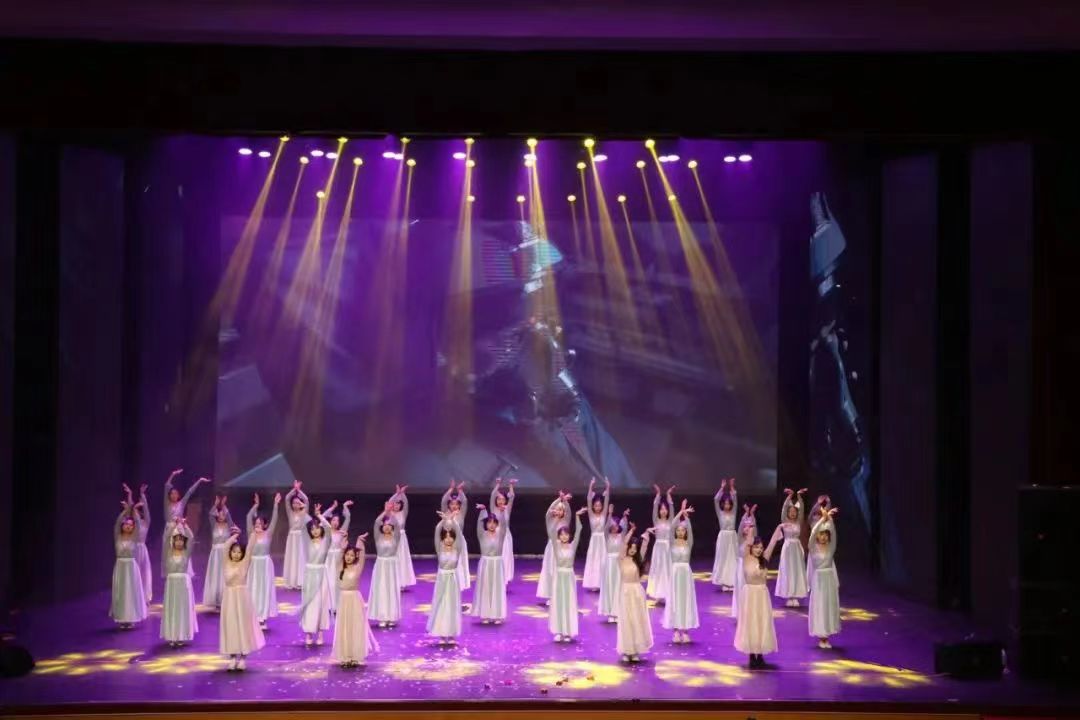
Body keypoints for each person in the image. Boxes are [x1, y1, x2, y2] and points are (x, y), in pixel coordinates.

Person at [219, 529, 265, 671]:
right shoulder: (226, 562)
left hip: (242, 599)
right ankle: (233, 657)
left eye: (239, 552)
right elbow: (225, 547)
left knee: (244, 626)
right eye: (234, 552)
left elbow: (250, 548)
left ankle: (243, 658)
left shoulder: (244, 563)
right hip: (229, 599)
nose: (236, 554)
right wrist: (235, 535)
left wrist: (255, 534)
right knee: (231, 626)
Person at [332, 533, 379, 668]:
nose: (349, 557)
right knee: (344, 627)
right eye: (347, 554)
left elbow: (362, 555)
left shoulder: (358, 568)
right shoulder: (340, 567)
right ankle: (345, 656)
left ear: (355, 557)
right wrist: (342, 547)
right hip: (344, 600)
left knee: (355, 627)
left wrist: (359, 541)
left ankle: (355, 656)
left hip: (355, 600)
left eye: (352, 555)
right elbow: (338, 557)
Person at [734, 535, 778, 669]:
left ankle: (760, 654)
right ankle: (752, 655)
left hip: (762, 595)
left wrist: (779, 528)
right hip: (750, 595)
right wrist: (750, 532)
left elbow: (772, 542)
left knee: (762, 623)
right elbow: (746, 544)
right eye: (756, 547)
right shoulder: (746, 558)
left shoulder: (764, 559)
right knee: (751, 623)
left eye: (761, 547)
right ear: (751, 548)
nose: (759, 550)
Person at [662, 501, 700, 643]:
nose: (680, 532)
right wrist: (681, 511)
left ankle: (685, 630)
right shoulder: (672, 542)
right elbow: (672, 525)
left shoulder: (688, 543)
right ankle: (676, 631)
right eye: (678, 530)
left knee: (685, 600)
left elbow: (690, 529)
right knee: (675, 600)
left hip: (685, 574)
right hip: (675, 574)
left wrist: (687, 518)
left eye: (682, 530)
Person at [616, 522, 653, 663]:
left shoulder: (638, 559)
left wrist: (647, 535)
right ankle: (627, 650)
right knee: (626, 621)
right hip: (625, 592)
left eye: (634, 548)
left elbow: (644, 547)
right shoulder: (621, 559)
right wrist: (631, 531)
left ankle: (636, 650)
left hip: (637, 591)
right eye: (630, 547)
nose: (632, 550)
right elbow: (623, 544)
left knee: (637, 620)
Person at [548, 507, 586, 643]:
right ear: (559, 536)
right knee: (558, 602)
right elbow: (551, 531)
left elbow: (579, 530)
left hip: (569, 576)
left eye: (566, 534)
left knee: (569, 603)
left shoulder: (572, 546)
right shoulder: (556, 546)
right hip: (559, 576)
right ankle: (559, 631)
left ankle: (568, 631)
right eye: (562, 534)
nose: (564, 536)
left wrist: (577, 516)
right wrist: (557, 518)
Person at [767, 488, 809, 607]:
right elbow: (784, 508)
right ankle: (789, 596)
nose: (792, 513)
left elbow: (802, 509)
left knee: (796, 571)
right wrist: (789, 497)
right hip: (787, 548)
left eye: (794, 511)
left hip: (796, 548)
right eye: (790, 511)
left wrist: (799, 496)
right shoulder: (784, 521)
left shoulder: (799, 522)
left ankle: (795, 596)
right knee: (787, 570)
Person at [161, 469, 207, 579]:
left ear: (178, 495)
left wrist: (199, 481)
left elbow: (190, 492)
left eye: (175, 493)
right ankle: (169, 570)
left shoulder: (181, 503)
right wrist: (172, 474)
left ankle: (184, 569)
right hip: (169, 529)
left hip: (179, 528)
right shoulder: (167, 504)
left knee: (182, 549)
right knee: (168, 549)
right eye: (172, 493)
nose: (173, 495)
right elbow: (166, 486)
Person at [427, 512, 464, 645]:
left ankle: (452, 634)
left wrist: (452, 520)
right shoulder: (440, 549)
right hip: (442, 580)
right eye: (446, 537)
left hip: (452, 581)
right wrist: (443, 521)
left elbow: (459, 533)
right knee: (442, 605)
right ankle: (442, 634)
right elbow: (437, 532)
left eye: (450, 537)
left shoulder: (457, 549)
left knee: (452, 606)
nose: (448, 539)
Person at [110, 501, 148, 629]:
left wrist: (134, 511)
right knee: (121, 592)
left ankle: (131, 618)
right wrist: (125, 511)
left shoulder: (134, 537)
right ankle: (121, 618)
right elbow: (117, 523)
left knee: (131, 592)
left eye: (131, 525)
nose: (128, 526)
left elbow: (138, 523)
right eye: (126, 524)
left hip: (131, 568)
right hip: (120, 567)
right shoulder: (117, 536)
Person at [246, 492, 281, 627]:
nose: (257, 525)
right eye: (256, 523)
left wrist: (276, 504)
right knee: (253, 589)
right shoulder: (251, 534)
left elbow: (275, 519)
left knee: (264, 590)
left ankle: (263, 618)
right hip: (254, 565)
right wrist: (256, 505)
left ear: (264, 525)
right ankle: (253, 616)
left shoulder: (268, 534)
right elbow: (248, 517)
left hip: (265, 565)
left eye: (260, 523)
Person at [299, 506, 333, 647]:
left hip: (322, 575)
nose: (315, 531)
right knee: (309, 603)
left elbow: (329, 528)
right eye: (312, 529)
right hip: (310, 574)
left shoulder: (326, 541)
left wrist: (320, 516)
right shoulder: (307, 541)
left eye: (317, 528)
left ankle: (320, 633)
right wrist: (303, 510)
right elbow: (302, 527)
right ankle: (308, 633)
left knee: (321, 604)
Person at [161, 519, 198, 647]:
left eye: (181, 540)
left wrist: (184, 525)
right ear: (173, 541)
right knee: (172, 608)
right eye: (176, 540)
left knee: (182, 609)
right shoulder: (168, 552)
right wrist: (174, 526)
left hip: (183, 584)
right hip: (172, 584)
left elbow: (191, 538)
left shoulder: (186, 553)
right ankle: (172, 635)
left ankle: (182, 635)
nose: (179, 542)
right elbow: (166, 538)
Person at [808, 505, 841, 648]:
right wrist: (823, 519)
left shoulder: (831, 548)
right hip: (818, 579)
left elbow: (833, 532)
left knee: (828, 605)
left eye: (825, 535)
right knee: (820, 605)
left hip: (829, 579)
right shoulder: (813, 548)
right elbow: (813, 533)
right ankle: (821, 636)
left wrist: (829, 519)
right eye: (821, 534)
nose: (823, 537)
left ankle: (826, 636)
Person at [471, 505, 508, 624]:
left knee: (497, 588)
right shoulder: (482, 534)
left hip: (497, 563)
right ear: (486, 524)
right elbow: (478, 524)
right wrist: (483, 511)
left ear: (497, 524)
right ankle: (485, 614)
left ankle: (497, 615)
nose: (491, 525)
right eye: (489, 522)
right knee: (485, 588)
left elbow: (504, 525)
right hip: (485, 563)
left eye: (494, 523)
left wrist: (502, 513)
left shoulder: (500, 535)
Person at [368, 504, 402, 628]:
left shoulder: (396, 537)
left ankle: (391, 616)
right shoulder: (378, 537)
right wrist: (385, 511)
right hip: (381, 566)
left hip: (391, 566)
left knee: (391, 589)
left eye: (389, 525)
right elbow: (377, 522)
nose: (387, 526)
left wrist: (391, 514)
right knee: (381, 589)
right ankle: (382, 616)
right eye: (385, 525)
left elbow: (397, 525)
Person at [537, 492, 570, 604]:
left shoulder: (565, 521)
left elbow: (569, 511)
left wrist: (564, 500)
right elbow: (548, 511)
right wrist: (559, 499)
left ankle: (561, 594)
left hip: (562, 548)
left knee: (560, 572)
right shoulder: (549, 520)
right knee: (550, 571)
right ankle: (551, 595)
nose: (559, 511)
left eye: (561, 510)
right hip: (551, 549)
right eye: (557, 509)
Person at [598, 507, 631, 622]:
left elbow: (625, 527)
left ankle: (617, 612)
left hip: (618, 563)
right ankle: (610, 612)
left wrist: (624, 516)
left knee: (618, 586)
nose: (614, 527)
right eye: (612, 525)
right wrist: (610, 514)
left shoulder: (621, 536)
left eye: (616, 525)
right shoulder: (607, 536)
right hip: (609, 564)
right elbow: (606, 526)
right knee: (610, 586)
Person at [122, 483, 153, 602]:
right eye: (134, 513)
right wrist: (130, 494)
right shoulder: (133, 525)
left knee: (144, 573)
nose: (135, 514)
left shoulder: (146, 523)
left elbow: (146, 511)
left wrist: (143, 495)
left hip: (143, 549)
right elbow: (130, 511)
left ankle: (145, 597)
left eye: (137, 513)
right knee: (135, 572)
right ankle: (133, 596)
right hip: (134, 549)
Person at [202, 495, 234, 610]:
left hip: (225, 553)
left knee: (224, 575)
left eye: (223, 514)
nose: (221, 516)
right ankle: (215, 599)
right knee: (215, 576)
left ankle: (224, 599)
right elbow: (210, 515)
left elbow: (229, 518)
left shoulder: (229, 526)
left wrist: (224, 505)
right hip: (215, 554)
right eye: (219, 514)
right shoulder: (214, 525)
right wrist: (216, 504)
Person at [645, 485, 675, 601]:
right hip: (658, 548)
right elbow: (654, 507)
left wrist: (668, 495)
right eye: (661, 509)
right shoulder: (656, 520)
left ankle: (667, 593)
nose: (663, 511)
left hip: (667, 547)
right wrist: (658, 494)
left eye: (665, 509)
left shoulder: (670, 521)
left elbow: (672, 509)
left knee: (667, 569)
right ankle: (657, 592)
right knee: (658, 568)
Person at [322, 500, 352, 613]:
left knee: (337, 582)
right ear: (330, 521)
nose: (335, 522)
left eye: (337, 520)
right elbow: (322, 517)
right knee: (328, 581)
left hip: (338, 559)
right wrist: (332, 507)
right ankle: (327, 605)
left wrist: (345, 506)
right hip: (328, 559)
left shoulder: (341, 532)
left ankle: (336, 605)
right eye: (333, 520)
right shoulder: (326, 530)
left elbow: (348, 518)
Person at [441, 480, 471, 591]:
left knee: (459, 564)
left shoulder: (461, 513)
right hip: (448, 542)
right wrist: (450, 489)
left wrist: (459, 491)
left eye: (456, 504)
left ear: (459, 505)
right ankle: (449, 587)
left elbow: (465, 501)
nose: (454, 506)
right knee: (449, 563)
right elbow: (444, 500)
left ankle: (459, 586)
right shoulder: (446, 513)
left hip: (459, 542)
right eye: (452, 504)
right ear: (449, 505)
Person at [582, 477, 610, 591]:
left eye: (599, 505)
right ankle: (593, 583)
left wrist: (608, 486)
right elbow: (589, 500)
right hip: (594, 540)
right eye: (596, 505)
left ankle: (601, 583)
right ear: (593, 506)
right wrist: (591, 486)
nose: (598, 507)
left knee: (602, 560)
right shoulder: (591, 514)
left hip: (601, 540)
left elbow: (607, 500)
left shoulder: (603, 514)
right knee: (593, 560)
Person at [710, 477, 738, 591]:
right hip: (723, 537)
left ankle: (732, 582)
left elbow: (735, 499)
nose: (727, 505)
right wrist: (721, 488)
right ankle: (724, 582)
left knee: (732, 558)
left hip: (732, 537)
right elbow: (715, 500)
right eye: (725, 503)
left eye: (728, 503)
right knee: (723, 558)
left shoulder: (733, 512)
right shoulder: (720, 513)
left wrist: (731, 487)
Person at [282, 481, 311, 590]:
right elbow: (286, 498)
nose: (295, 504)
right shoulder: (290, 512)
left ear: (300, 504)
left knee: (300, 557)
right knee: (292, 557)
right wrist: (294, 490)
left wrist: (299, 490)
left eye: (297, 503)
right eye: (293, 503)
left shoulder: (303, 513)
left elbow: (306, 500)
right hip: (292, 538)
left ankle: (300, 581)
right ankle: (292, 580)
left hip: (300, 538)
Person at [731, 504, 758, 620]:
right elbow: (741, 524)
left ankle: (750, 613)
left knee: (750, 590)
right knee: (741, 590)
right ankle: (740, 613)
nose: (747, 528)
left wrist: (752, 514)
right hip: (741, 568)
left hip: (750, 567)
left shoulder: (753, 541)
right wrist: (746, 513)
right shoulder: (740, 539)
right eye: (745, 526)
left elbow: (754, 526)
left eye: (749, 526)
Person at [490, 477, 517, 583]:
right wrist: (498, 484)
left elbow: (512, 497)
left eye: (502, 499)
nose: (501, 501)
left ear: (505, 501)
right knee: (496, 557)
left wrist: (511, 485)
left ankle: (504, 579)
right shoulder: (493, 509)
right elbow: (493, 495)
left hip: (505, 536)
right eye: (499, 499)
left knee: (505, 556)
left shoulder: (507, 509)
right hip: (495, 536)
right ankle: (496, 578)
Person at [389, 487, 416, 590]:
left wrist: (402, 494)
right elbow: (390, 501)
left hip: (401, 540)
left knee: (402, 560)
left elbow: (406, 503)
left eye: (398, 503)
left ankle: (402, 583)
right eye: (395, 503)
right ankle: (393, 582)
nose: (396, 505)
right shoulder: (389, 514)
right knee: (393, 559)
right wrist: (396, 494)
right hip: (392, 539)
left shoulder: (403, 513)